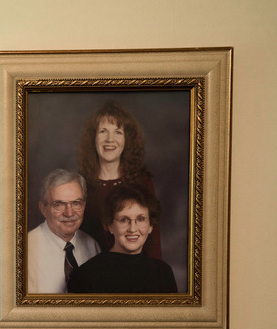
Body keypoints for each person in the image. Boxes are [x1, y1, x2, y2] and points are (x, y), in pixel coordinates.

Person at [77, 101, 162, 258]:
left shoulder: (142, 182)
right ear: (93, 138)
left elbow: (153, 240)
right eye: (103, 131)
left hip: (135, 271)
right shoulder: (80, 184)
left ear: (127, 140)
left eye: (118, 132)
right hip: (91, 270)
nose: (110, 139)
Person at [67, 184, 177, 293]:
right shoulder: (86, 275)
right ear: (110, 225)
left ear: (151, 226)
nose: (133, 229)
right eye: (124, 220)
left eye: (141, 219)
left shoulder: (163, 273)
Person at [28, 169, 100, 293]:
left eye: (76, 203)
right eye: (59, 204)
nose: (69, 213)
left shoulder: (92, 246)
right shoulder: (25, 250)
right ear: (43, 208)